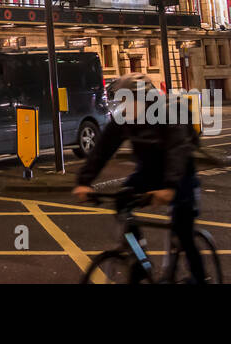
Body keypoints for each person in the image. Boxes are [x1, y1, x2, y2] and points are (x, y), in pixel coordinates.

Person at [72, 73, 207, 283]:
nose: (125, 106)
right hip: (149, 173)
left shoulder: (169, 112)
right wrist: (83, 181)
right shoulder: (126, 118)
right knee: (122, 201)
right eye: (123, 101)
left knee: (183, 231)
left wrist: (170, 187)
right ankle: (138, 259)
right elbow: (103, 149)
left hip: (181, 174)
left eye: (129, 100)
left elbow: (177, 148)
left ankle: (200, 279)